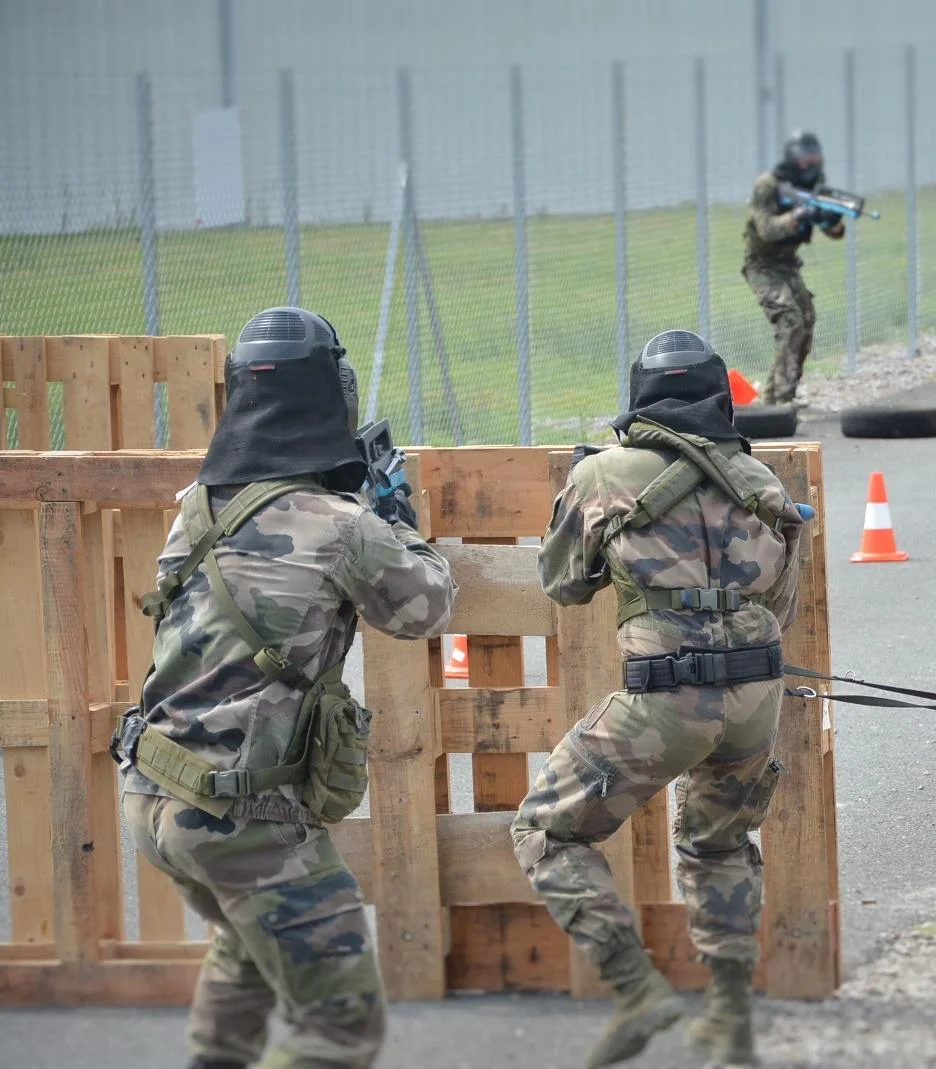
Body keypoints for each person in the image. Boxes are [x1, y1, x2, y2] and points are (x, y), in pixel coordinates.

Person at [111, 306, 458, 1069]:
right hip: (245, 820)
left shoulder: (196, 507)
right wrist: (395, 515)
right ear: (331, 396)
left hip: (154, 795)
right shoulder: (340, 524)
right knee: (340, 1030)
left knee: (244, 944)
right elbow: (426, 605)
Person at [511, 328, 809, 1068]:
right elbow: (783, 605)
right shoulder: (759, 479)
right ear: (717, 394)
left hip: (665, 699)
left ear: (641, 393)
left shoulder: (602, 475)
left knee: (547, 829)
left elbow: (563, 584)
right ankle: (731, 1021)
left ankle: (636, 988)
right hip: (753, 697)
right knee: (718, 843)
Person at [743, 129, 846, 405]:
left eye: (815, 158)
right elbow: (766, 229)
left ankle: (779, 395)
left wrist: (829, 218)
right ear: (791, 158)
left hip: (788, 264)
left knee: (807, 320)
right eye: (804, 159)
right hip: (762, 265)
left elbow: (836, 233)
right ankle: (779, 400)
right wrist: (799, 214)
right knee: (790, 320)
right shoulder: (768, 185)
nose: (810, 164)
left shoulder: (815, 185)